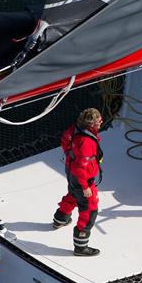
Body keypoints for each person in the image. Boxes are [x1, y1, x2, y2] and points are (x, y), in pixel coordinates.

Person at [52, 108, 103, 256]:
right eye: (99, 121)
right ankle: (81, 246)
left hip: (71, 172)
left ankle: (60, 219)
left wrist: (70, 155)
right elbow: (80, 167)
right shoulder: (86, 142)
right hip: (83, 178)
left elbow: (64, 140)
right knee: (89, 209)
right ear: (91, 125)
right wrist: (85, 186)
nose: (101, 123)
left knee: (73, 194)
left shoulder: (74, 129)